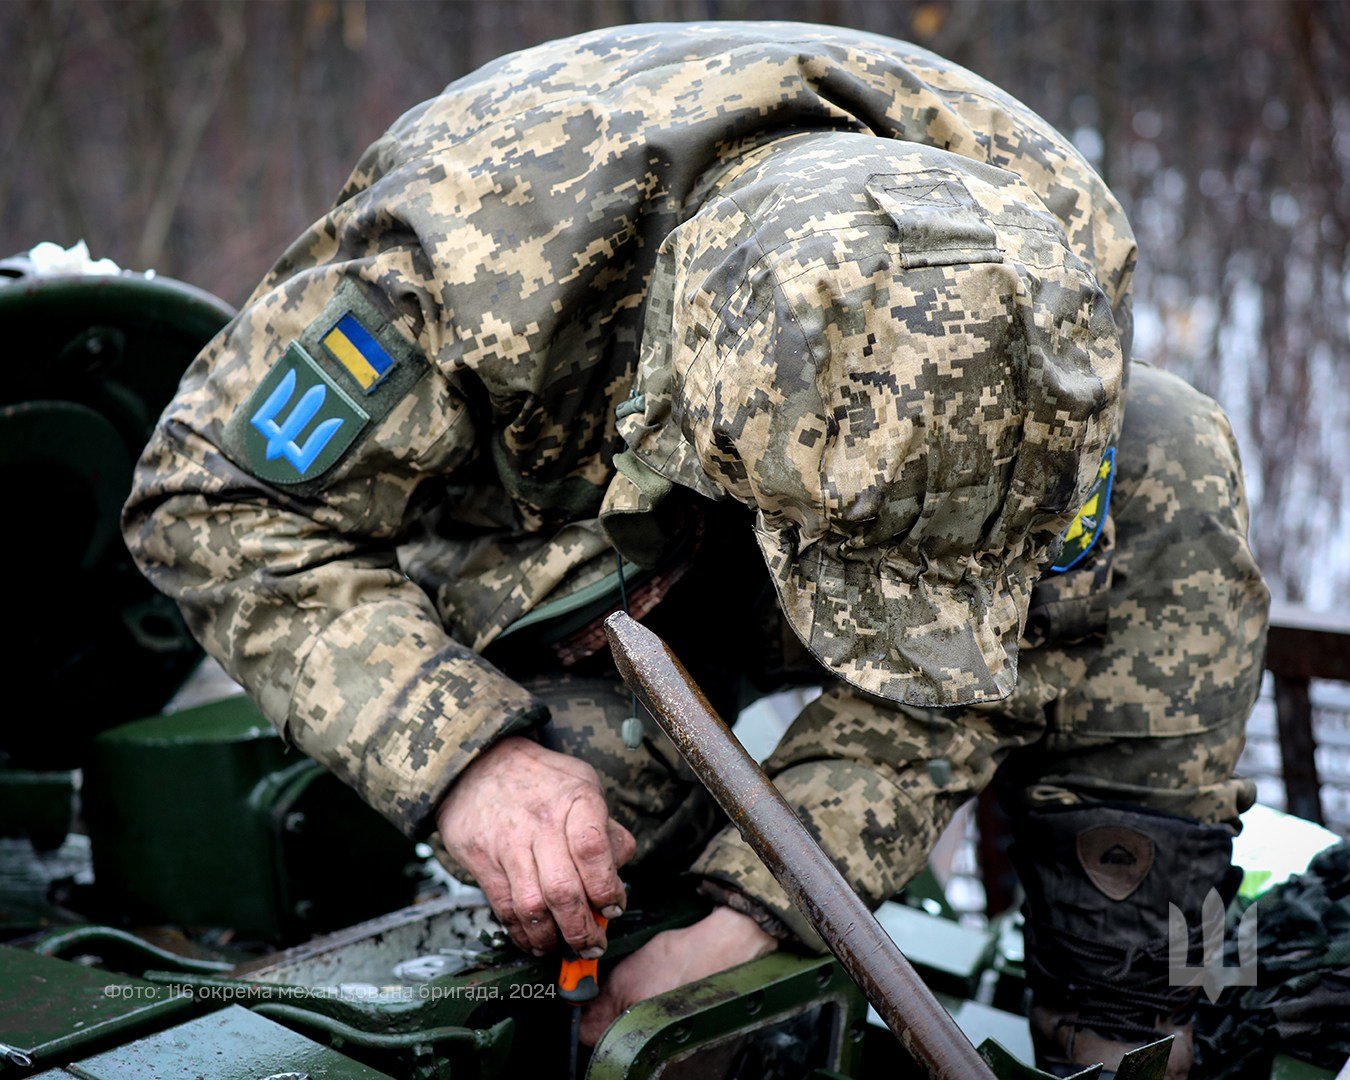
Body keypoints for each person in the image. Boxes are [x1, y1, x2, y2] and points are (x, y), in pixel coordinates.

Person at [123, 22, 1268, 1076]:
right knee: (571, 884)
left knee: (1170, 454)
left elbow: (1008, 640)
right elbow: (212, 500)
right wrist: (468, 761)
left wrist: (765, 909)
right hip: (559, 593)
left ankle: (1127, 1027)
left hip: (800, 520)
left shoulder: (1053, 289)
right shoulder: (467, 255)